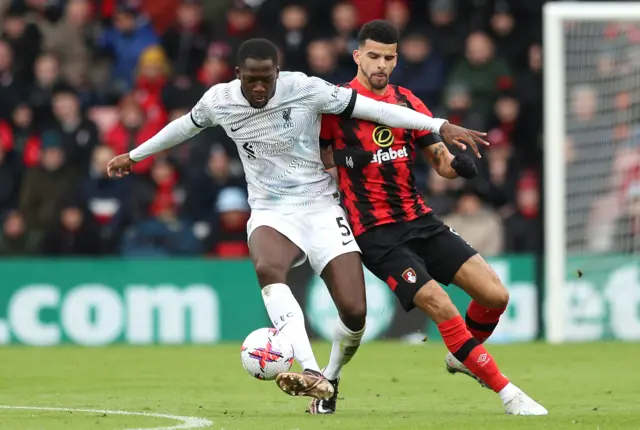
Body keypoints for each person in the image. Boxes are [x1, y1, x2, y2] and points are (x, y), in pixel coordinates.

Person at [107, 38, 487, 403]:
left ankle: (330, 375)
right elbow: (183, 127)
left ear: (278, 72)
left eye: (266, 78)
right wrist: (135, 155)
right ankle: (310, 370)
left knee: (355, 314)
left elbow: (377, 110)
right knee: (268, 266)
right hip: (271, 211)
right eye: (251, 79)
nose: (259, 87)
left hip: (321, 207)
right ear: (238, 73)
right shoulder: (218, 100)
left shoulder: (306, 88)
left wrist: (436, 125)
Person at [317, 21, 547, 416]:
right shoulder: (336, 105)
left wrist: (459, 166)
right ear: (357, 56)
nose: (381, 65)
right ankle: (510, 395)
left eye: (389, 58)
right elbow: (317, 158)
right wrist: (348, 158)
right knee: (441, 304)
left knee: (496, 295)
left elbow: (439, 161)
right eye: (373, 56)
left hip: (419, 219)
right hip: (375, 232)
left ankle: (462, 356)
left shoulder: (408, 102)